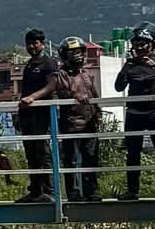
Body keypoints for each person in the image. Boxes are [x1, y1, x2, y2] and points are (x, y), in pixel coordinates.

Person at [113, 26, 155, 201]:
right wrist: (126, 68)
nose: (140, 48)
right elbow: (119, 87)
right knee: (133, 153)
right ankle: (132, 190)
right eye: (136, 45)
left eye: (144, 45)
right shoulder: (131, 64)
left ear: (152, 45)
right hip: (134, 112)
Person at [52, 37, 103, 203]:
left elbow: (94, 95)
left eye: (80, 52)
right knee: (71, 160)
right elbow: (61, 91)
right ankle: (73, 193)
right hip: (71, 124)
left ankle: (92, 191)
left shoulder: (86, 74)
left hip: (89, 123)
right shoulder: (62, 74)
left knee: (90, 157)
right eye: (72, 53)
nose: (77, 56)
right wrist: (75, 95)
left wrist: (98, 113)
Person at [15, 30, 60, 202]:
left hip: (41, 114)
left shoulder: (48, 63)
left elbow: (52, 85)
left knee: (43, 151)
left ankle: (50, 192)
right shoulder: (29, 65)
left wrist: (33, 97)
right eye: (29, 43)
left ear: (42, 43)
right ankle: (35, 191)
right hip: (27, 115)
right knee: (30, 153)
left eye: (35, 43)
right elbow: (24, 91)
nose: (32, 47)